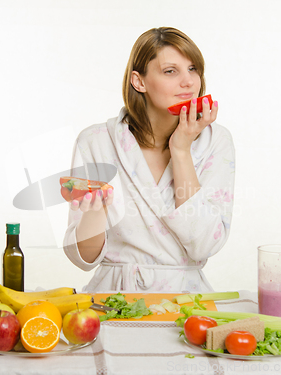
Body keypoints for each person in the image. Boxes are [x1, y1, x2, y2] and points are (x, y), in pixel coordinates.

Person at [63, 27, 235, 292]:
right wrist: (96, 210)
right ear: (139, 81)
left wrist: (181, 150)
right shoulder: (95, 142)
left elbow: (204, 245)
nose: (189, 82)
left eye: (193, 69)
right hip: (113, 299)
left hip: (187, 303)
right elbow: (82, 259)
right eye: (170, 71)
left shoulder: (216, 141)